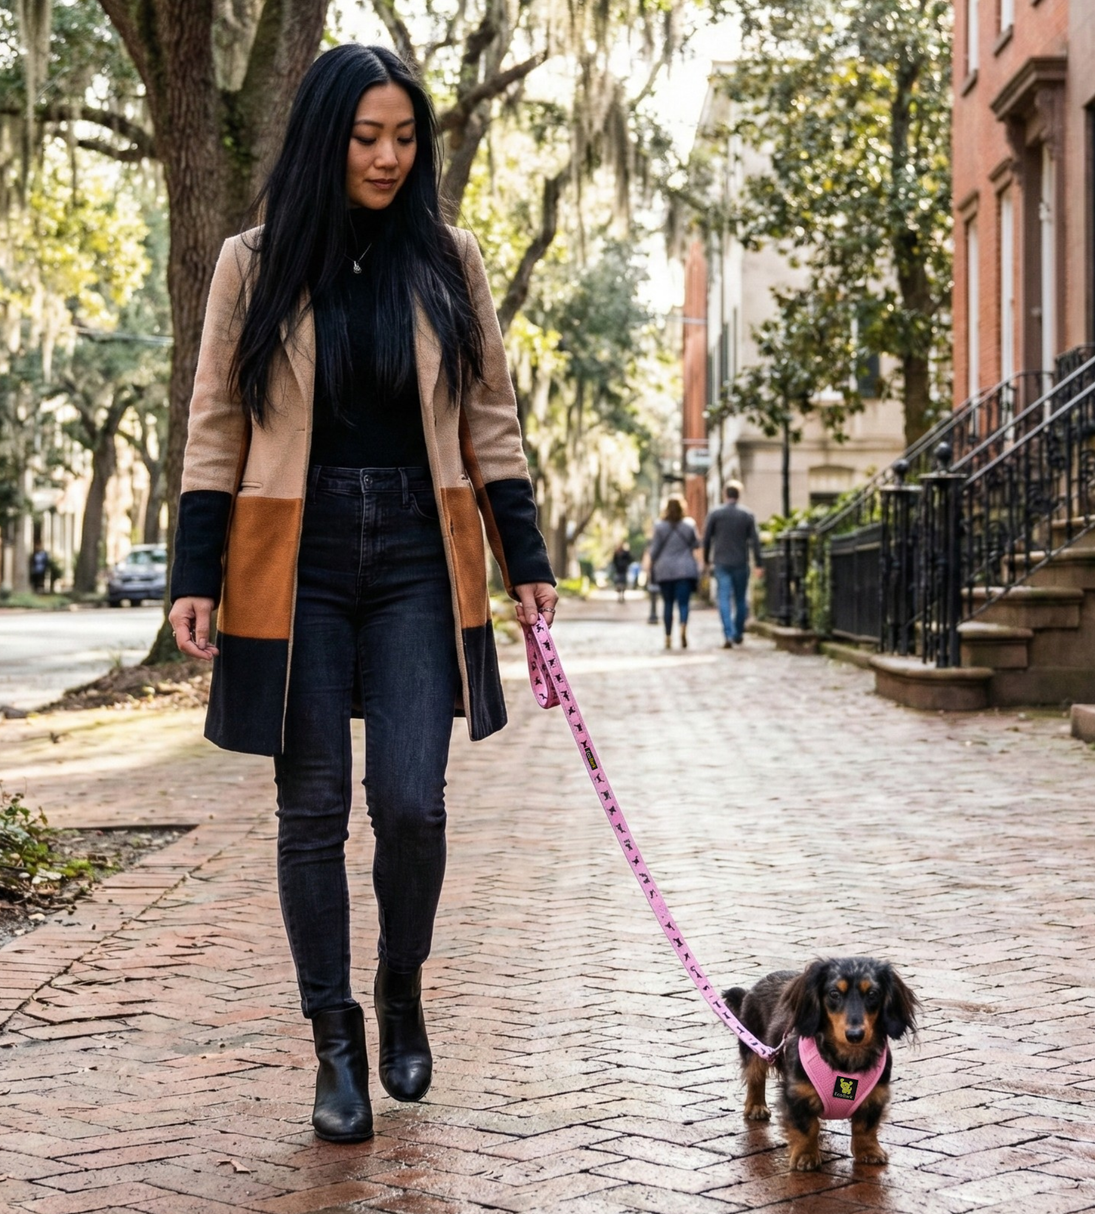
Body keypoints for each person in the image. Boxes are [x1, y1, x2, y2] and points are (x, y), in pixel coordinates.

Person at [166, 45, 556, 1145]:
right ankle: (333, 1041)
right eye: (365, 136)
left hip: (417, 558)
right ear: (324, 136)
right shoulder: (253, 262)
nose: (388, 157)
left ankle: (399, 980)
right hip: (294, 552)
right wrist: (195, 573)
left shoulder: (447, 256)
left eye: (403, 137)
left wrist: (524, 556)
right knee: (310, 808)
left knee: (412, 801)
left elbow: (490, 419)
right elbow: (213, 426)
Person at [703, 480, 763, 648]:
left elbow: (707, 539)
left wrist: (706, 560)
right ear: (738, 495)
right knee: (740, 599)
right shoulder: (747, 515)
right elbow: (755, 541)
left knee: (723, 598)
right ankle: (738, 632)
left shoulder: (715, 514)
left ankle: (728, 633)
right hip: (740, 562)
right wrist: (759, 563)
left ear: (725, 494)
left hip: (721, 562)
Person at [648, 496, 701, 649]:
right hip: (685, 569)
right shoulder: (689, 524)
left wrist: (650, 564)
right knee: (684, 603)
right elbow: (696, 545)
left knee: (668, 604)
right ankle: (683, 626)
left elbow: (654, 551)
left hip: (665, 570)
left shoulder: (659, 526)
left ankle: (668, 636)